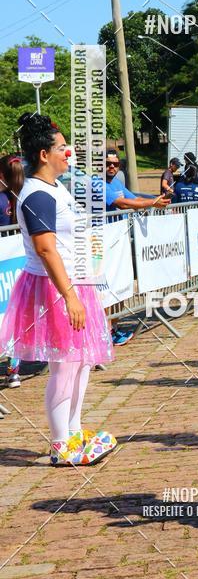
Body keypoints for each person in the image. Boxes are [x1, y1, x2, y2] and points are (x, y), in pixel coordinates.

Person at [0, 114, 116, 466]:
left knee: (80, 362)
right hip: (55, 287)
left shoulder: (55, 187)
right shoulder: (37, 194)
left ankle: (74, 431)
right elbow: (46, 248)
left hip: (73, 282)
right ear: (43, 154)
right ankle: (60, 444)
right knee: (65, 365)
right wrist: (68, 295)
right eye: (62, 148)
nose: (69, 153)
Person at [0, 154, 25, 389]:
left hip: (6, 262)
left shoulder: (1, 200)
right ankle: (13, 370)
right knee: (14, 316)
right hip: (20, 263)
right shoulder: (24, 197)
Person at [103, 150, 169, 211]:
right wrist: (153, 203)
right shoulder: (97, 184)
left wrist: (156, 200)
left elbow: (135, 199)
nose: (112, 167)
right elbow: (122, 204)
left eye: (115, 164)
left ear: (119, 166)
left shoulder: (116, 182)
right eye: (108, 163)